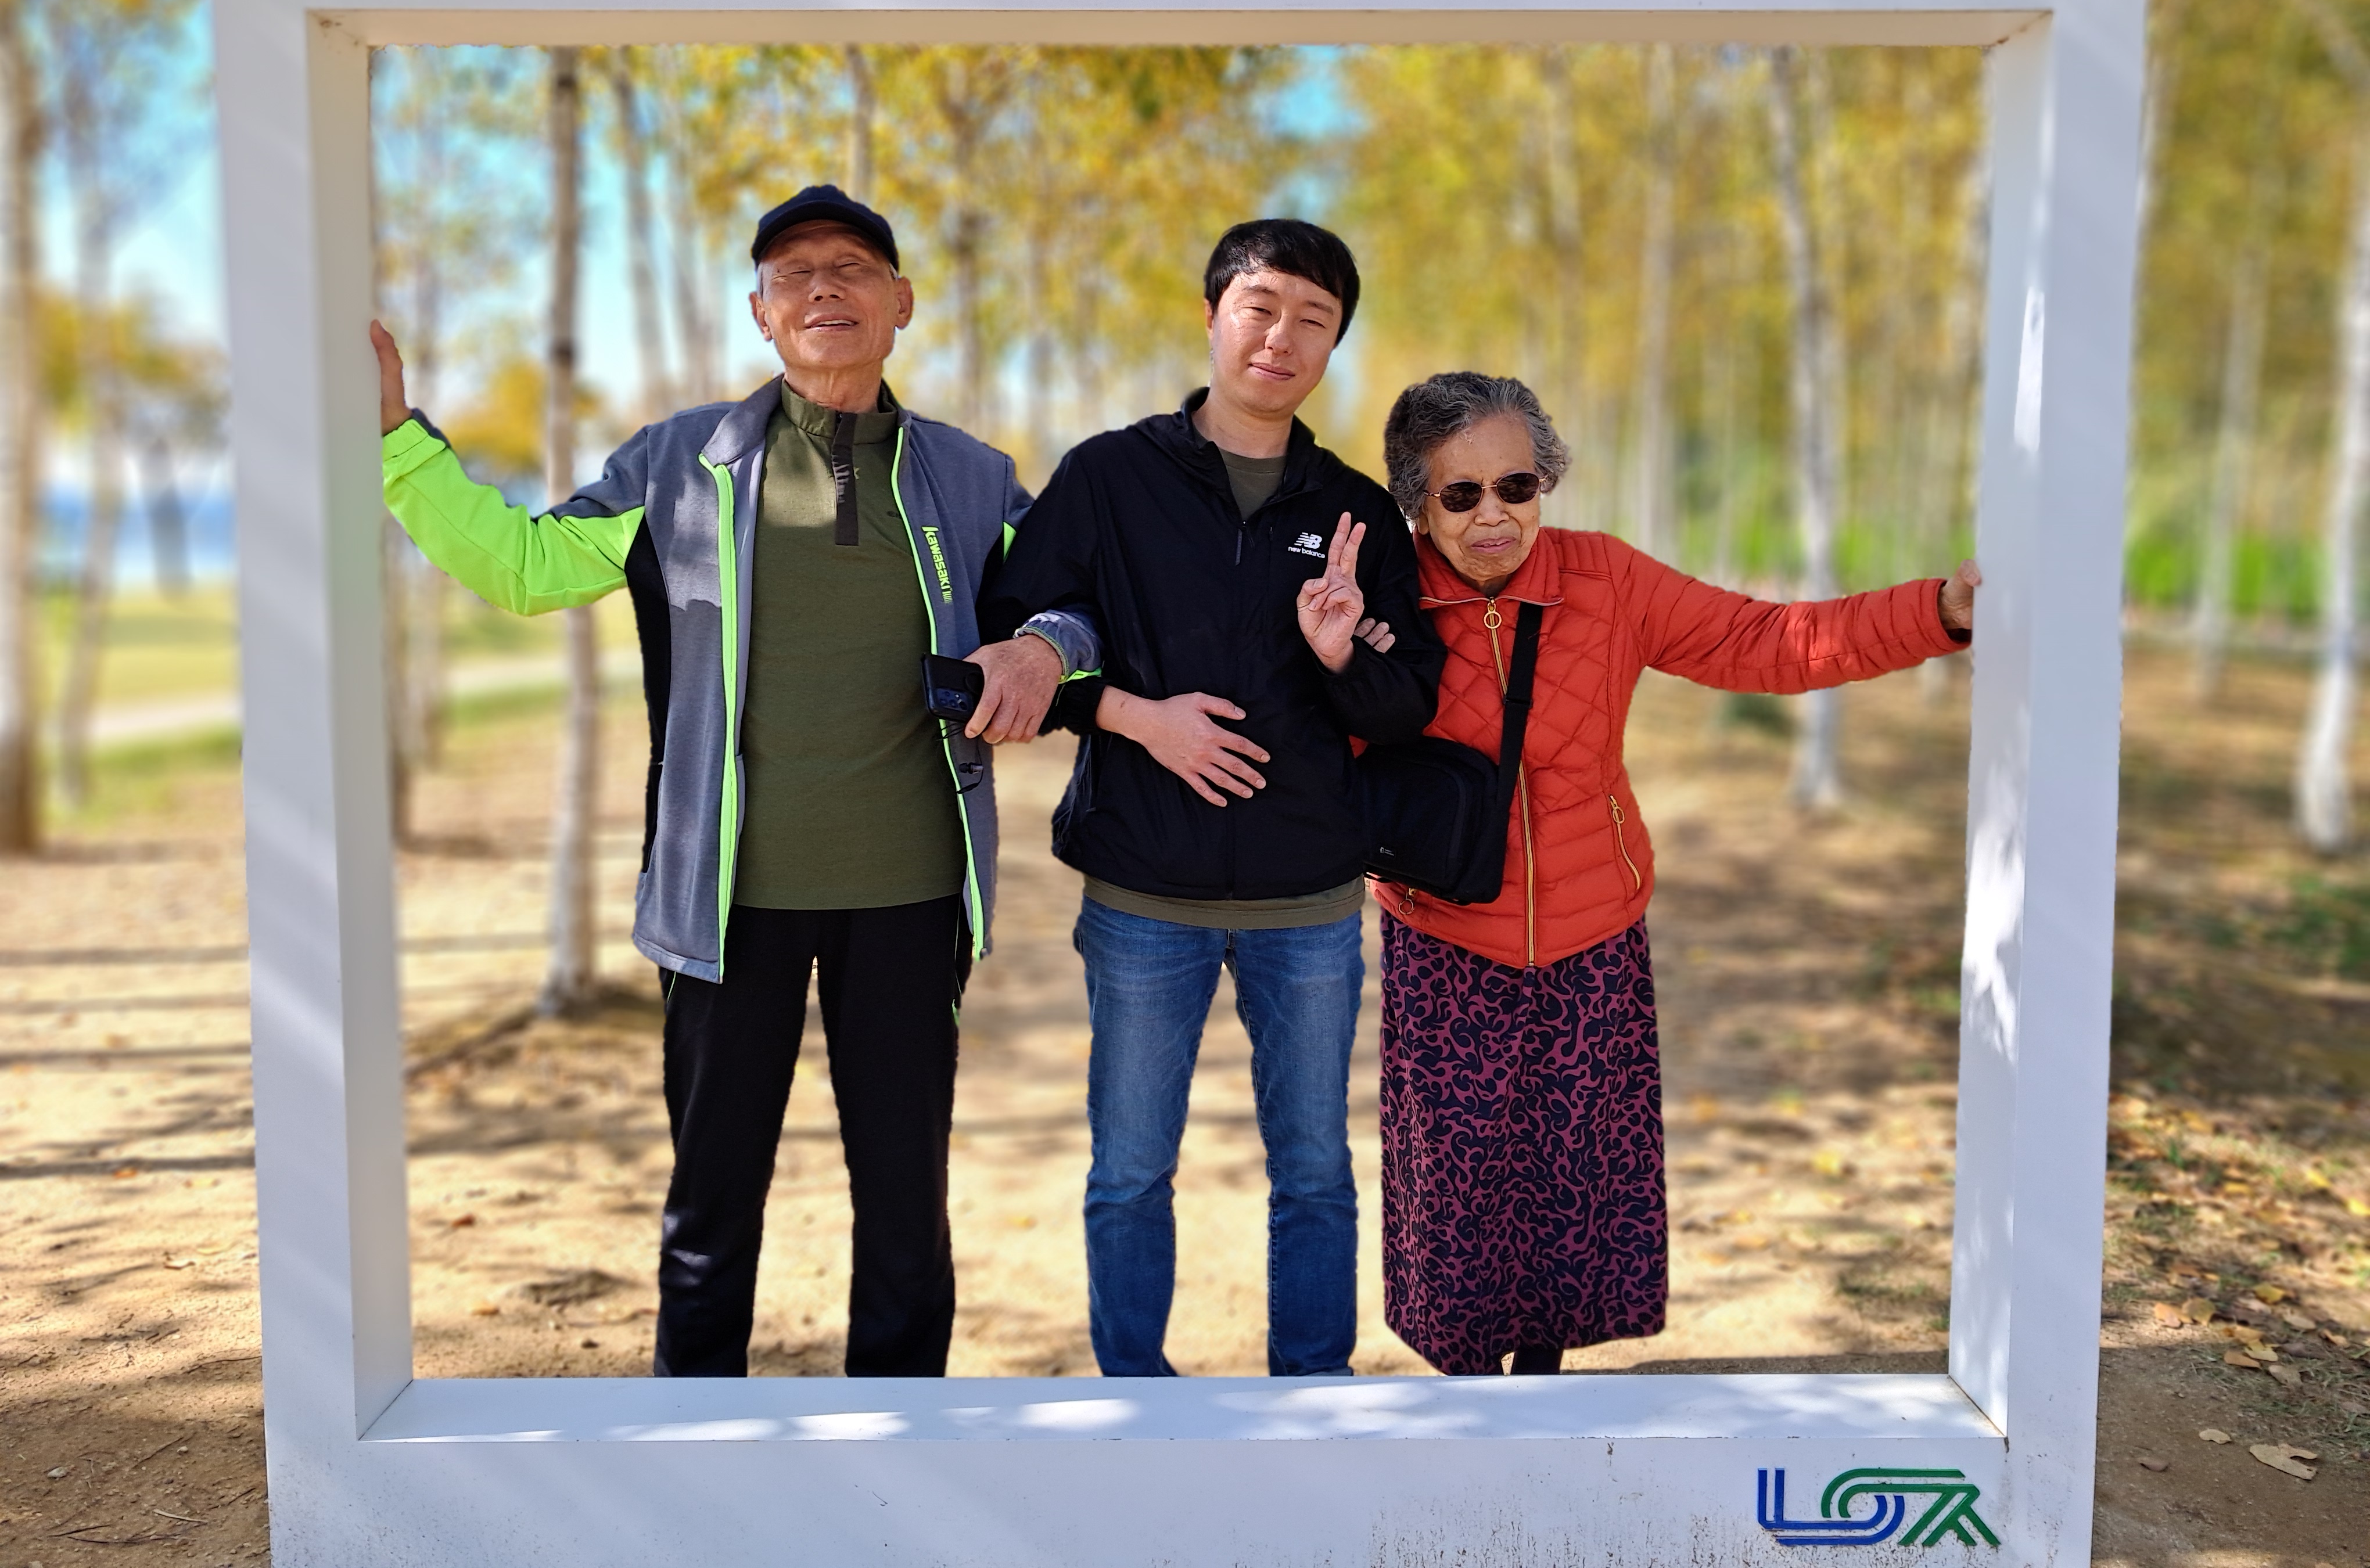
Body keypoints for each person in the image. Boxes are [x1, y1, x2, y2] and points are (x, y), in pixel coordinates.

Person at [372, 183, 1098, 1378]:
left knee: (906, 1215)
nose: (825, 289)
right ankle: (691, 1439)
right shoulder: (677, 465)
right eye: (794, 273)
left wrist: (1046, 648)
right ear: (761, 313)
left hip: (912, 896)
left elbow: (1079, 605)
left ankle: (898, 1442)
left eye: (853, 268)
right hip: (725, 905)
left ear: (903, 302)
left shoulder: (975, 479)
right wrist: (401, 442)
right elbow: (524, 567)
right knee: (710, 1212)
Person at [1370, 371, 1981, 1378]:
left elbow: (1766, 641)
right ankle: (1467, 1402)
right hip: (1446, 942)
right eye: (1460, 493)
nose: (1493, 516)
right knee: (1460, 1188)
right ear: (1417, 502)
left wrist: (1937, 615)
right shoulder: (1383, 597)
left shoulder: (1607, 579)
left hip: (1594, 938)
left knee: (1573, 1181)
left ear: (1545, 481)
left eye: (1517, 486)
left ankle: (1543, 1385)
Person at [983, 220, 1445, 1378]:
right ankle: (1136, 1394)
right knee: (1132, 1169)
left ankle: (1313, 1388)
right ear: (1212, 316)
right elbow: (1020, 643)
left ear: (1334, 346)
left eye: (1314, 320)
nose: (1281, 338)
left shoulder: (1355, 513)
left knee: (1316, 1172)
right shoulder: (1108, 478)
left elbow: (1406, 705)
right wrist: (1136, 718)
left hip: (1309, 901)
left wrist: (1340, 656)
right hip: (1144, 891)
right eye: (1261, 307)